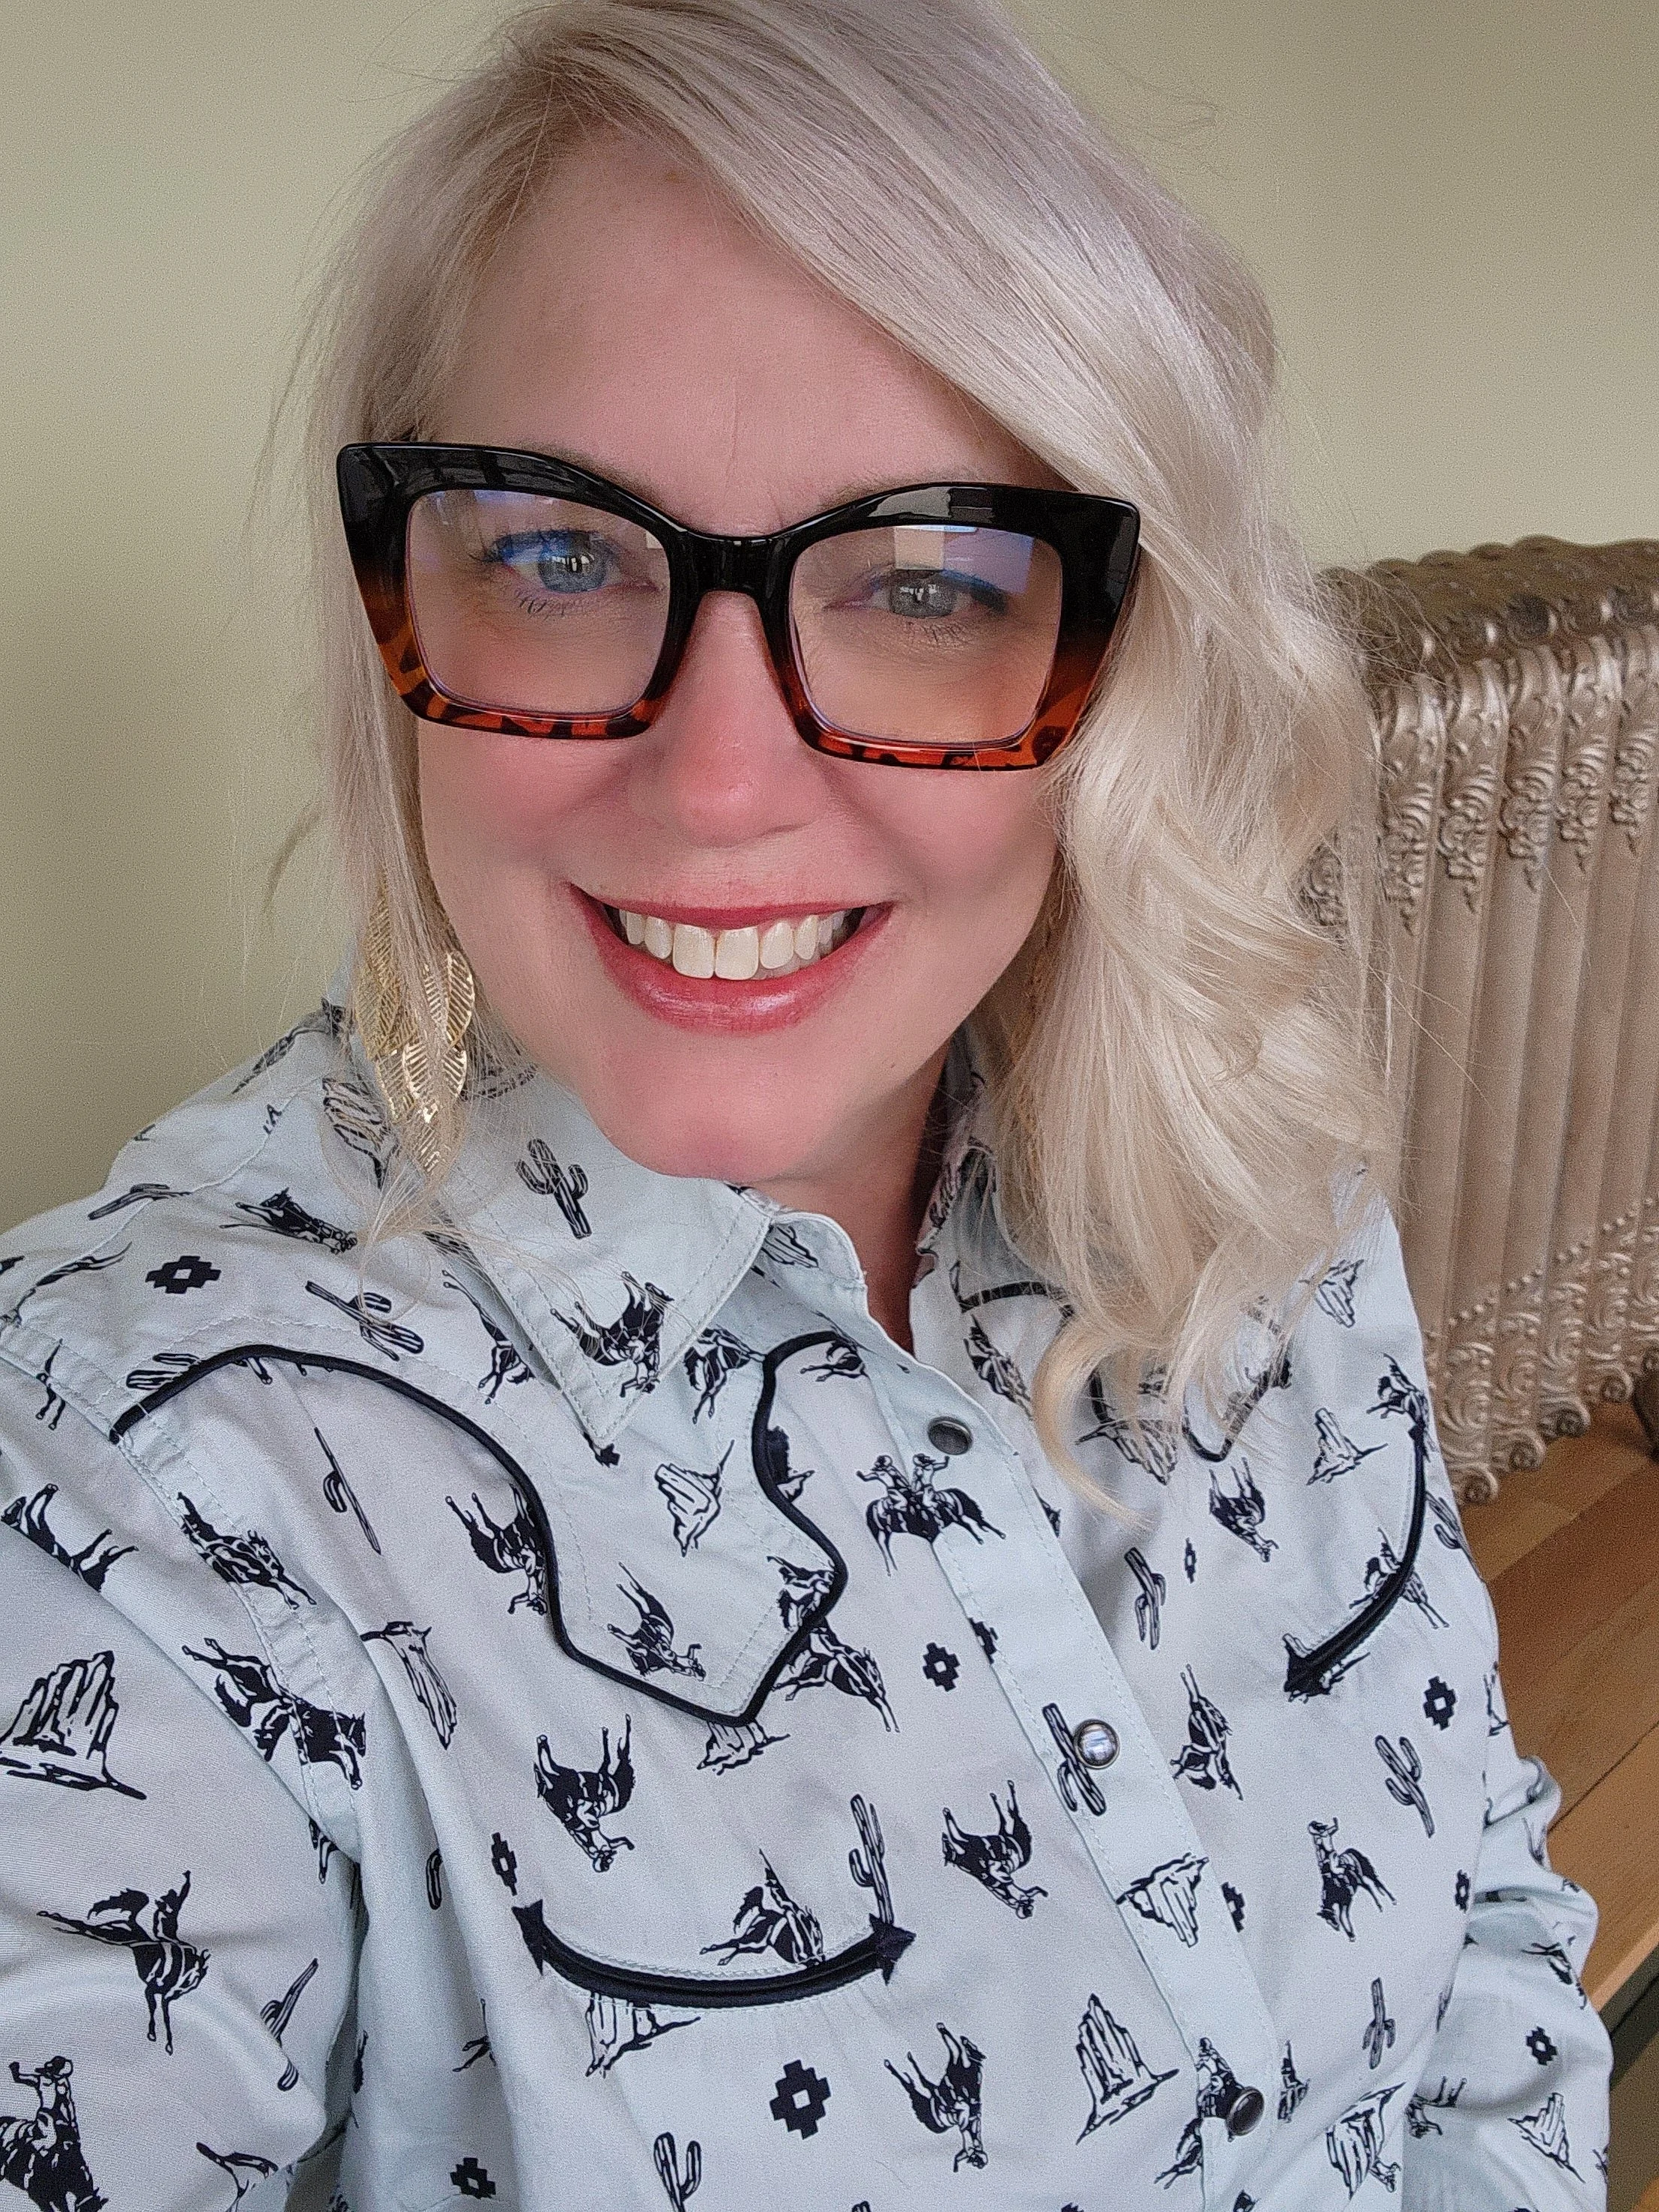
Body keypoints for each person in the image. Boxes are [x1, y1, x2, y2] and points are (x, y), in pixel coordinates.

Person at [0, 0, 1612, 2205]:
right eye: (561, 556)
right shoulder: (137, 1484)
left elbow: (1483, 1915)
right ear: (397, 590)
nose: (726, 786)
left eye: (928, 582)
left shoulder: (1263, 1160)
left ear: (1120, 662)